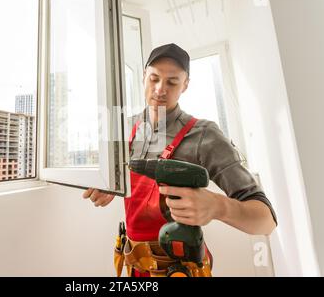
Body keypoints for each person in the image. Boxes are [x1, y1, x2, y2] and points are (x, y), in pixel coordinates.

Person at [82, 43, 277, 276]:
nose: (160, 89)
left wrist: (218, 206)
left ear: (185, 85)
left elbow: (266, 220)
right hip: (136, 267)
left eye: (172, 82)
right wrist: (112, 186)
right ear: (144, 76)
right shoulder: (125, 129)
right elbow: (119, 180)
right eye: (154, 78)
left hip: (181, 269)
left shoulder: (204, 134)